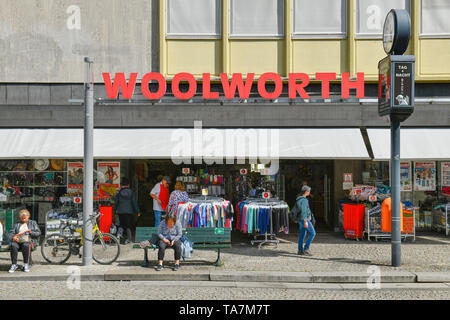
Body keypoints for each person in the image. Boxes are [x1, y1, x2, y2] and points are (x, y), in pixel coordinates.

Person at [114, 177, 141, 244]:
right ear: (128, 184)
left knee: (121, 224)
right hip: (129, 212)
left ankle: (119, 235)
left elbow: (116, 202)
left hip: (120, 211)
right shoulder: (131, 192)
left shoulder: (119, 192)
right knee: (128, 225)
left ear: (122, 184)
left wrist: (115, 211)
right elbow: (134, 203)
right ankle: (129, 239)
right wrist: (137, 211)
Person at [297, 185, 316, 256]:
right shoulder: (304, 200)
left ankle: (300, 250)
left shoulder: (299, 199)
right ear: (306, 192)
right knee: (313, 233)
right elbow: (304, 211)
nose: (309, 192)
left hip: (300, 220)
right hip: (305, 219)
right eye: (309, 191)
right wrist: (305, 221)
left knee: (302, 235)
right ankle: (306, 249)